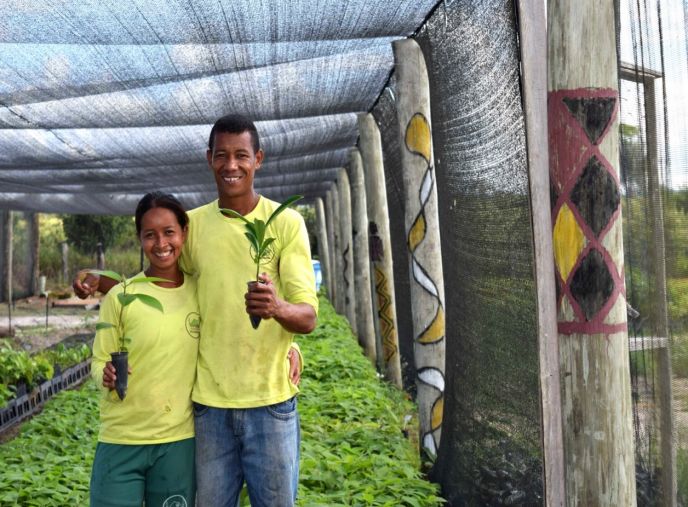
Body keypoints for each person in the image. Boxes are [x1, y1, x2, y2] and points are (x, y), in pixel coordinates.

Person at [77, 114, 318, 507]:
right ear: (209, 159)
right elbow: (158, 280)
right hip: (209, 410)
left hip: (270, 403)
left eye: (241, 155)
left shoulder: (285, 223)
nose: (231, 165)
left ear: (258, 158)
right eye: (221, 155)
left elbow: (307, 316)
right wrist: (95, 279)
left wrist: (278, 312)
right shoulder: (195, 226)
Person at [89, 192, 198, 507]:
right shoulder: (120, 297)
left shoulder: (200, 291)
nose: (161, 243)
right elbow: (98, 361)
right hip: (121, 439)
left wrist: (290, 345)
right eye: (150, 235)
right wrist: (105, 375)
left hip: (176, 441)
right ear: (139, 238)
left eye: (169, 232)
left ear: (184, 233)